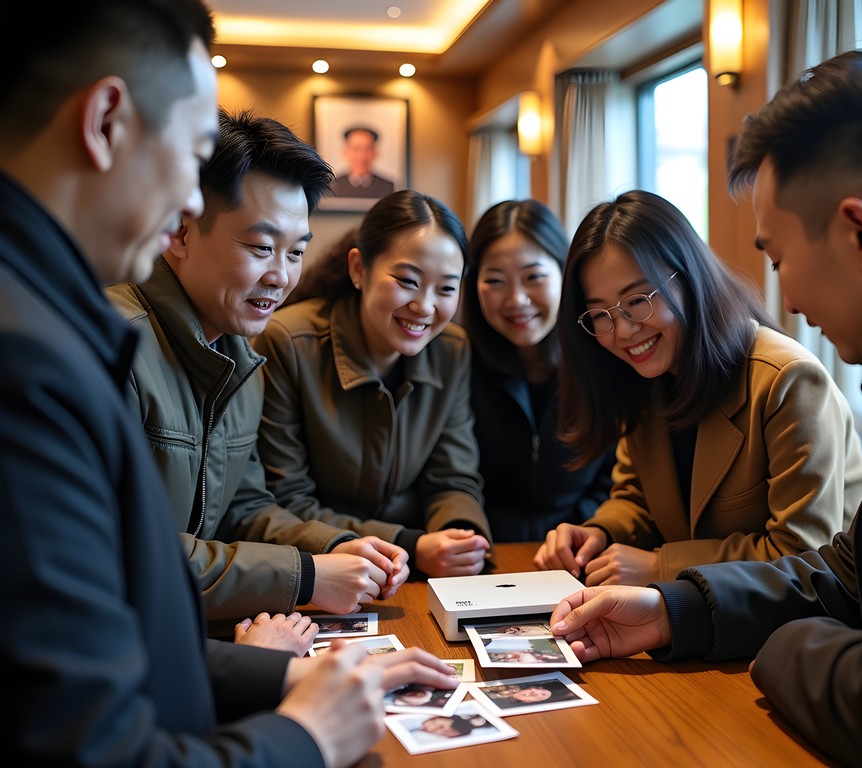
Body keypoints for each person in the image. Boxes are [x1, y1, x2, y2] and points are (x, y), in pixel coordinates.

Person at [0, 2, 458, 765]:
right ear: (106, 122)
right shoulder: (37, 356)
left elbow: (143, 617)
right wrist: (307, 733)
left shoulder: (197, 344)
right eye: (189, 153)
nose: (186, 199)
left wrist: (297, 668)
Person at [549, 49, 862, 768]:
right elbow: (848, 572)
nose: (788, 300)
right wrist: (675, 610)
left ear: (859, 232)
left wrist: (786, 643)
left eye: (777, 258)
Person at [106, 107, 409, 625]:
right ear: (181, 232)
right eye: (262, 247)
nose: (281, 276)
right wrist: (306, 576)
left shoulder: (239, 353)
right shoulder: (116, 344)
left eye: (296, 253)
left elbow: (244, 508)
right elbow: (120, 554)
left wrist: (340, 546)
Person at [533, 189, 862, 585]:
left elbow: (803, 554)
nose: (622, 331)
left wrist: (661, 566)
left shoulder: (787, 380)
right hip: (699, 618)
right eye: (600, 314)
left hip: (804, 626)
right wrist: (600, 533)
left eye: (638, 300)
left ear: (687, 278)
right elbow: (637, 497)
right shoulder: (648, 378)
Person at [253, 190, 493, 577]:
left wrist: (457, 540)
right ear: (359, 269)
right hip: (320, 568)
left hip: (414, 570)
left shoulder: (452, 349)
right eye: (408, 281)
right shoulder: (288, 342)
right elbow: (285, 499)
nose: (425, 307)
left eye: (446, 288)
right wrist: (409, 544)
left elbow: (453, 476)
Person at [462, 199, 615, 541]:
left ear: (564, 273)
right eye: (496, 280)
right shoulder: (457, 362)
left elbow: (617, 479)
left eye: (534, 276)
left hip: (581, 551)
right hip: (481, 555)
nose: (516, 299)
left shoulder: (605, 355)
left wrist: (581, 532)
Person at [330, 125, 395, 199]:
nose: (361, 156)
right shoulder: (332, 186)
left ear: (375, 153)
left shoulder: (387, 187)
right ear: (345, 152)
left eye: (367, 149)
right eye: (356, 148)